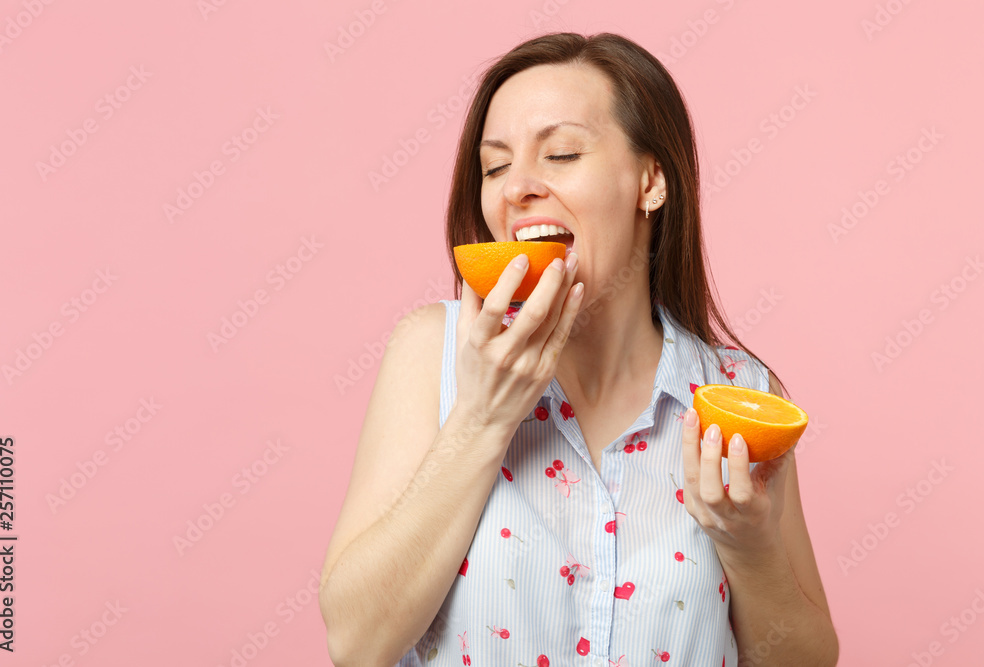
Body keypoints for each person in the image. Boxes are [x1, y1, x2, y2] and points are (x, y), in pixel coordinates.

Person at [319, 32, 838, 666]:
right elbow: (355, 643)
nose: (517, 189)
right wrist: (483, 418)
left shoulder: (740, 395)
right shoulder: (435, 353)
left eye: (561, 153)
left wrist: (752, 548)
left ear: (651, 181)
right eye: (495, 166)